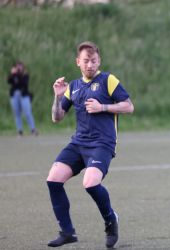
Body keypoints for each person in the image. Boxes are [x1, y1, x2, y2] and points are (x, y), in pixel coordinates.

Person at [46, 41, 134, 248]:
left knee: (90, 183)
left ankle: (111, 220)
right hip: (78, 144)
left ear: (99, 61)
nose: (90, 65)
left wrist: (102, 106)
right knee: (53, 179)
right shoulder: (74, 87)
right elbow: (57, 118)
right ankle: (67, 232)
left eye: (94, 61)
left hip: (102, 144)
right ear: (78, 62)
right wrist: (58, 97)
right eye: (86, 61)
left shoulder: (108, 80)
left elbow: (129, 107)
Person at [7, 61, 38, 137]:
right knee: (17, 114)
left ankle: (33, 129)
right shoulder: (13, 75)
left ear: (23, 67)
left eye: (20, 66)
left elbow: (23, 83)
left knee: (28, 112)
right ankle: (20, 131)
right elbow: (9, 81)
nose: (18, 68)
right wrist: (12, 74)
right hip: (14, 96)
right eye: (17, 66)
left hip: (24, 95)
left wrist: (18, 74)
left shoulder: (25, 75)